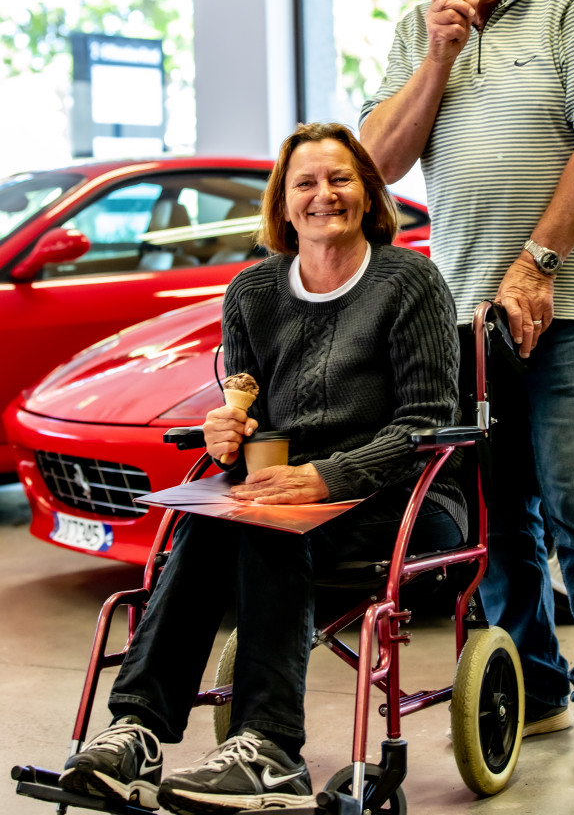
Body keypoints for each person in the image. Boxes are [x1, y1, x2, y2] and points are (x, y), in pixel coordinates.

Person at [59, 122, 466, 814]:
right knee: (207, 516)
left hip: (404, 495)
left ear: (368, 194)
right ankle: (137, 731)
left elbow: (424, 425)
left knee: (264, 521)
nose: (323, 195)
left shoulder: (408, 282)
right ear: (282, 203)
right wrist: (226, 432)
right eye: (305, 183)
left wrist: (324, 477)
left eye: (340, 179)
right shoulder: (252, 291)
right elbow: (250, 420)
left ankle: (270, 751)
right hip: (281, 491)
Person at [359, 0, 574, 775]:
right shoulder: (415, 31)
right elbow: (377, 165)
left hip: (569, 302)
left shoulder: (569, 2)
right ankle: (539, 688)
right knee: (499, 515)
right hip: (463, 313)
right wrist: (438, 57)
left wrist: (537, 264)